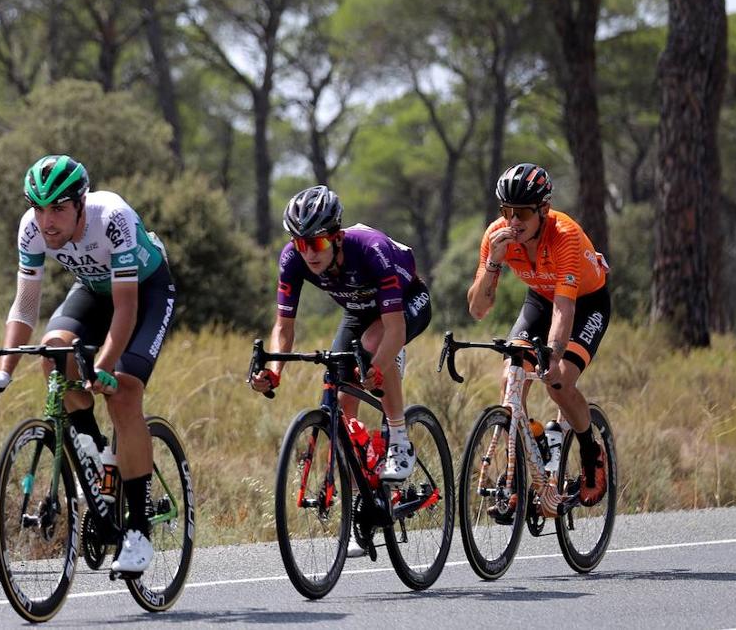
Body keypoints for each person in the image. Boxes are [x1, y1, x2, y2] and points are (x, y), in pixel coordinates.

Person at [0, 155, 176, 577]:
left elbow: (125, 309)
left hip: (145, 290)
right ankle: (98, 454)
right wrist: (4, 373)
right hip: (93, 290)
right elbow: (25, 307)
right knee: (52, 349)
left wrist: (101, 366)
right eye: (39, 208)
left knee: (122, 389)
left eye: (59, 209)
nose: (47, 222)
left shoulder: (113, 218)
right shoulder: (31, 228)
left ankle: (138, 529)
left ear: (81, 204)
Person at [252, 186, 432, 487]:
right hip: (358, 310)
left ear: (336, 237)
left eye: (316, 241)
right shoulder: (292, 259)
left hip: (405, 303)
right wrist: (274, 371)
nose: (308, 252)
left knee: (372, 349)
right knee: (343, 397)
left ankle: (400, 440)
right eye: (299, 243)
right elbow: (283, 326)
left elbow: (394, 328)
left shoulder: (371, 249)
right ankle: (361, 492)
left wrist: (376, 368)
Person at [466, 163, 610, 507]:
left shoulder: (565, 235)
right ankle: (528, 454)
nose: (513, 222)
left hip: (585, 303)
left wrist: (553, 354)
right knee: (510, 380)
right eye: (507, 211)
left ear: (543, 209)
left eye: (523, 213)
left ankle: (591, 452)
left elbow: (565, 310)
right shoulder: (496, 235)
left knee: (557, 380)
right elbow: (477, 310)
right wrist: (493, 264)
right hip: (539, 299)